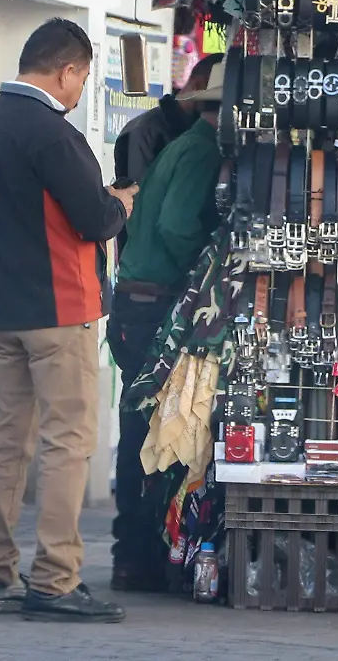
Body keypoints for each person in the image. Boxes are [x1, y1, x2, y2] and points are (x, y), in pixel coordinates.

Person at [0, 18, 136, 623]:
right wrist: (121, 202)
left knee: (5, 442)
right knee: (68, 442)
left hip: (3, 311)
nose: (81, 88)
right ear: (66, 70)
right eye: (83, 77)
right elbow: (93, 218)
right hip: (61, 309)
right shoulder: (53, 135)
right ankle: (56, 578)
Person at [107, 61, 226, 592]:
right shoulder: (201, 151)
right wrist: (204, 275)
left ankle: (142, 553)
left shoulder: (184, 145)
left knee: (146, 428)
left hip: (139, 301)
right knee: (146, 432)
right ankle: (135, 556)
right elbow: (177, 227)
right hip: (154, 305)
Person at [113, 52, 223, 186]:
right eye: (217, 101)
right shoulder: (145, 131)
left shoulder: (197, 130)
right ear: (198, 85)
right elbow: (136, 194)